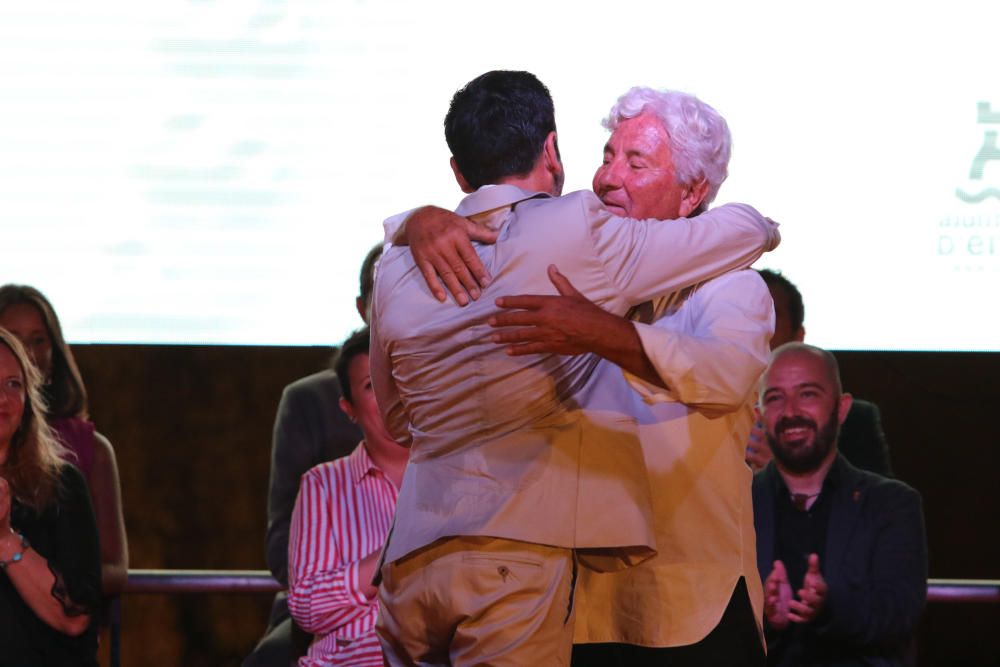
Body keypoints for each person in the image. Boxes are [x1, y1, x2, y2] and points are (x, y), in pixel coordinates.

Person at [371, 70, 779, 666]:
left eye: (636, 163)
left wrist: (602, 333)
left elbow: (721, 373)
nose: (608, 178)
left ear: (692, 194)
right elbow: (499, 221)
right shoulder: (576, 252)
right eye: (608, 156)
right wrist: (417, 219)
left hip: (682, 599)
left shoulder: (730, 287)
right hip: (577, 595)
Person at [244, 244, 379, 667]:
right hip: (327, 600)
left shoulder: (460, 388)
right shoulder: (309, 401)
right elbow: (280, 539)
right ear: (363, 306)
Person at [753, 343, 926, 666]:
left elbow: (898, 615)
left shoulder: (892, 504)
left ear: (842, 408)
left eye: (808, 394)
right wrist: (761, 616)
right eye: (775, 397)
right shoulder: (735, 506)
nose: (791, 411)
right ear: (759, 413)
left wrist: (827, 608)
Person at [287, 327, 407, 667]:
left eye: (398, 377)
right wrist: (387, 561)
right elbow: (307, 606)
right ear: (349, 408)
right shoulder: (324, 484)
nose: (390, 395)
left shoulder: (455, 475)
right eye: (371, 385)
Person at [0, 284, 128, 595]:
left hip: (55, 630)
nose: (25, 352)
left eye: (37, 340)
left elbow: (114, 569)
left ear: (54, 351)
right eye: (12, 338)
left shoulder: (89, 452)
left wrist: (43, 583)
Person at [0, 327, 102, 666]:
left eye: (13, 384)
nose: (2, 397)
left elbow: (74, 617)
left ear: (28, 400)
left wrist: (5, 540)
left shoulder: (62, 485)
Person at [745, 270, 893, 476]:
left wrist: (792, 471)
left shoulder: (854, 421)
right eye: (741, 315)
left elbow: (879, 504)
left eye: (769, 315)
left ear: (798, 336)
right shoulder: (699, 417)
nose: (753, 327)